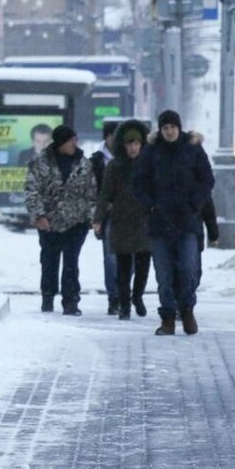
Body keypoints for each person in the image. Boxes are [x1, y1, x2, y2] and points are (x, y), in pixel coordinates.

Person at [132, 109, 215, 336]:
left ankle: (187, 310)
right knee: (164, 273)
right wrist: (150, 205)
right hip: (159, 222)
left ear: (179, 127)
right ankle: (168, 316)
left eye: (172, 127)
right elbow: (138, 181)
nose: (169, 132)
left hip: (187, 221)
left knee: (188, 268)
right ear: (161, 129)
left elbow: (207, 180)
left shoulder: (192, 149)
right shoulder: (151, 151)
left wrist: (193, 205)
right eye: (165, 128)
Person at [23, 124, 97, 315]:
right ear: (62, 143)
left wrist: (91, 218)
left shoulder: (83, 164)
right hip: (49, 222)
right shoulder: (41, 162)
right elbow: (32, 190)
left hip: (76, 222)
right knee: (49, 260)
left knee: (71, 262)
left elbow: (92, 192)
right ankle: (48, 296)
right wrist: (39, 215)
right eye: (71, 140)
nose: (75, 143)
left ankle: (71, 300)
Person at [93, 120, 151, 320]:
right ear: (123, 145)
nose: (133, 148)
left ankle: (137, 297)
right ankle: (124, 304)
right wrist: (98, 219)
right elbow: (105, 194)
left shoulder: (149, 165)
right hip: (121, 221)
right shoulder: (115, 166)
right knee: (123, 267)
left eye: (136, 143)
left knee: (143, 265)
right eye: (129, 144)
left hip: (145, 221)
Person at [90, 120, 120, 315]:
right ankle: (114, 297)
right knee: (111, 258)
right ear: (107, 137)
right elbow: (91, 188)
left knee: (131, 259)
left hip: (131, 216)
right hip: (108, 215)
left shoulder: (133, 157)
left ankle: (123, 291)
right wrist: (98, 215)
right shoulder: (97, 161)